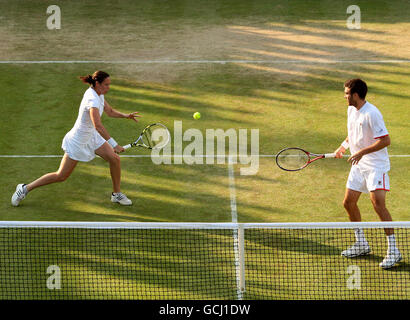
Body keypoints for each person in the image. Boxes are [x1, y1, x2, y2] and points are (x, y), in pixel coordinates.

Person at [11, 71, 140, 206]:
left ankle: (116, 194)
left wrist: (126, 116)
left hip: (91, 136)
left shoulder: (99, 94)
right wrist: (114, 144)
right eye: (106, 84)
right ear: (97, 83)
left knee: (115, 159)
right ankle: (25, 188)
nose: (108, 87)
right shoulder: (92, 100)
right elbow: (98, 126)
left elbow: (110, 111)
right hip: (78, 141)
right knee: (61, 176)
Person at [334, 78, 401, 269]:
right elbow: (352, 133)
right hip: (358, 164)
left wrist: (361, 152)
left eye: (347, 93)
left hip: (375, 166)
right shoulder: (351, 110)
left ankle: (393, 251)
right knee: (348, 202)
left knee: (378, 205)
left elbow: (385, 140)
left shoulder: (372, 113)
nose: (345, 96)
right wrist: (343, 147)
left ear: (355, 95)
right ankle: (361, 243)